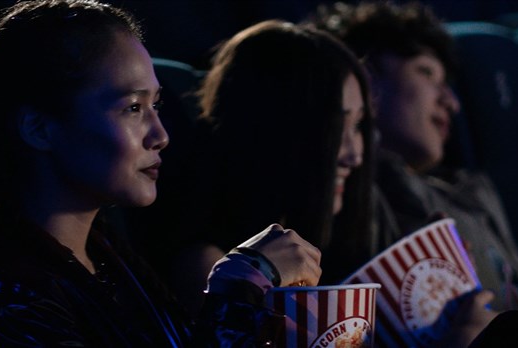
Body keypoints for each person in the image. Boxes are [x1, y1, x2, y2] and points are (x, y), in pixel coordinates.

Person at [0, 0, 323, 346]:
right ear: (39, 129)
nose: (160, 136)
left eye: (155, 104)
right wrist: (240, 286)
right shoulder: (0, 288)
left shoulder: (104, 253)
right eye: (132, 108)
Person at [308, 0, 518, 343]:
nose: (451, 103)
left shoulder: (473, 188)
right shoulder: (355, 191)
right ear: (366, 80)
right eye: (426, 73)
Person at [150, 19, 375, 318]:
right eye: (335, 128)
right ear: (275, 130)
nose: (354, 155)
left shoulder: (337, 238)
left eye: (357, 125)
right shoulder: (216, 270)